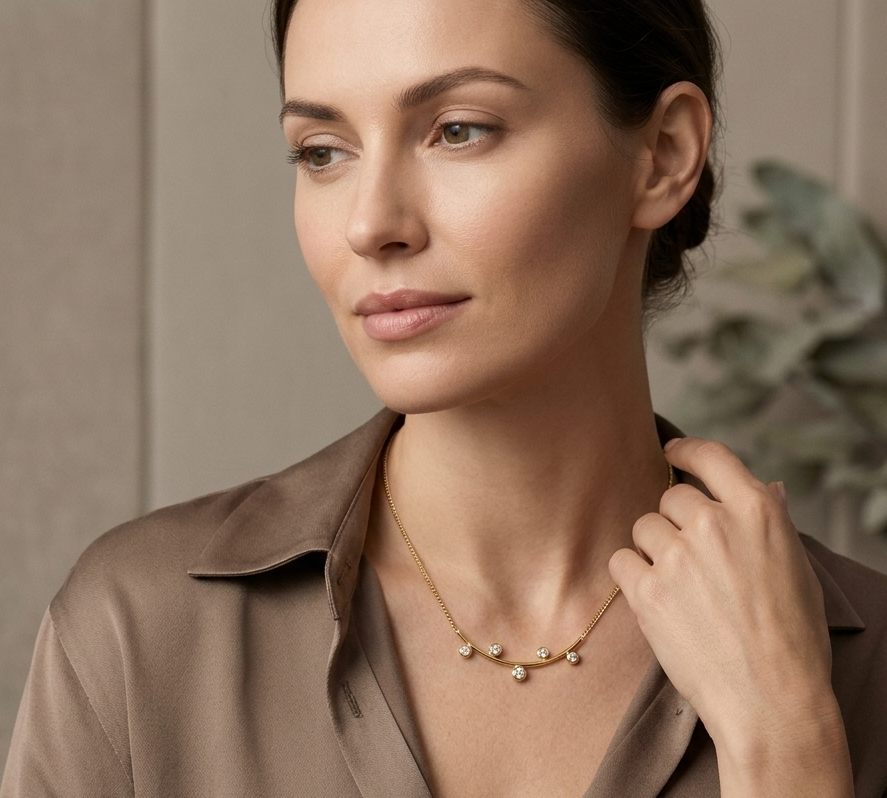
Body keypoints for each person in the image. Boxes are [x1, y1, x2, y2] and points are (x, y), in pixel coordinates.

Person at [3, 0, 887, 795]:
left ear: (662, 156)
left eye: (457, 130)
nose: (370, 222)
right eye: (323, 151)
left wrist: (787, 746)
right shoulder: (140, 634)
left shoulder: (865, 665)